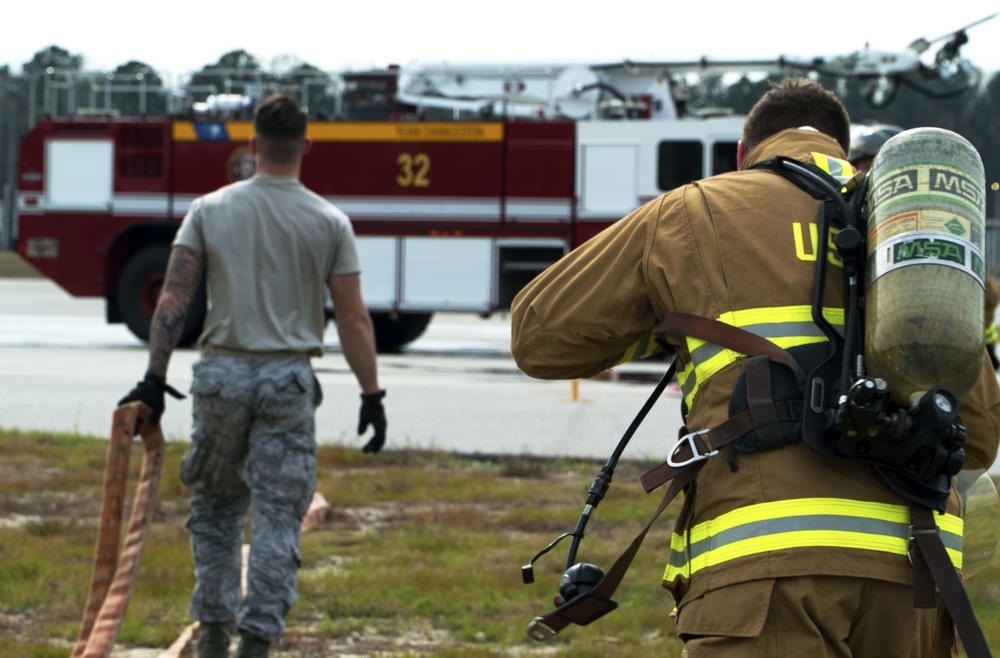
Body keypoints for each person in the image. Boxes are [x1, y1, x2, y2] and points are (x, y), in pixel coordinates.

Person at [510, 78, 1000, 656]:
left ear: (744, 154)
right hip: (914, 573)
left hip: (765, 564)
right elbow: (979, 439)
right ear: (843, 148)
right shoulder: (909, 228)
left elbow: (537, 336)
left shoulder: (694, 209)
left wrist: (667, 325)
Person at [119, 94, 387, 658]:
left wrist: (153, 378)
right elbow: (354, 321)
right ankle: (256, 643)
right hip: (286, 383)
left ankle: (213, 636)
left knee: (216, 510)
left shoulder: (208, 210)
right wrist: (371, 395)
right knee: (276, 516)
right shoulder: (329, 220)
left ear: (251, 144)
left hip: (220, 378)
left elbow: (174, 297)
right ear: (306, 147)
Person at [849, 122, 1000, 370]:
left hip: (928, 347)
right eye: (866, 169)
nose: (870, 179)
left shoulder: (917, 224)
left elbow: (987, 292)